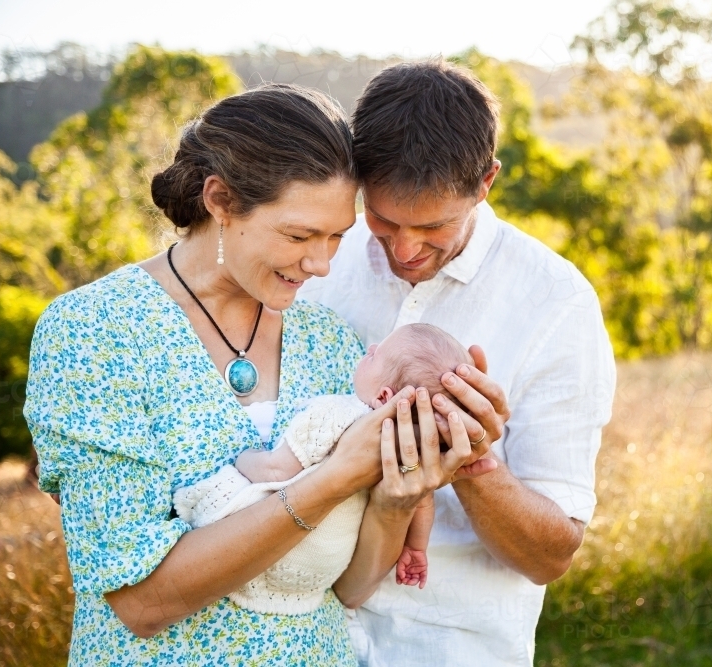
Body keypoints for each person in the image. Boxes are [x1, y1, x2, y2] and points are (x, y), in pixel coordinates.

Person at [24, 83, 490, 666]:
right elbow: (141, 603)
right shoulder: (96, 331)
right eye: (298, 236)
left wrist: (399, 501)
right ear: (219, 199)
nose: (320, 265)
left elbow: (345, 590)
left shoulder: (327, 339)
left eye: (336, 239)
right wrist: (334, 478)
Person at [299, 60, 617, 666]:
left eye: (433, 226)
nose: (405, 249)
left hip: (450, 647)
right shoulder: (316, 267)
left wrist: (475, 462)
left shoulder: (557, 303)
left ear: (486, 182)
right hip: (301, 640)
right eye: (384, 221)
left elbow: (551, 557)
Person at [174, 323, 474, 605]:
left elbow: (277, 469)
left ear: (384, 396)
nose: (368, 349)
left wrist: (244, 458)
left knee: (219, 495)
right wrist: (415, 548)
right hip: (327, 563)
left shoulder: (337, 413)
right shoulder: (413, 452)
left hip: (280, 544)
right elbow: (422, 502)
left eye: (374, 355)